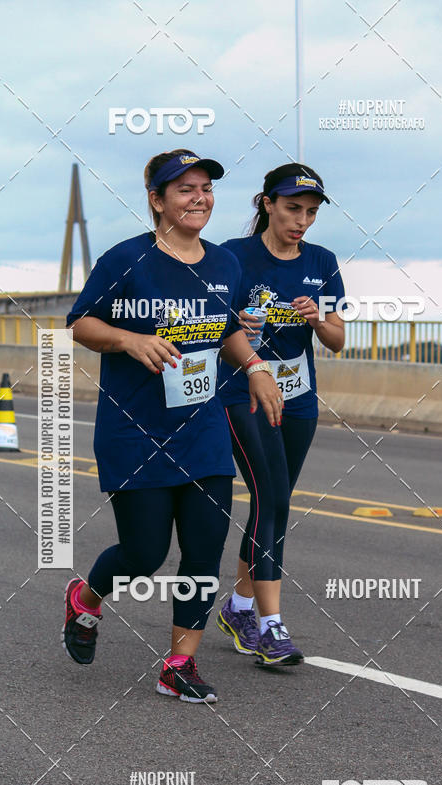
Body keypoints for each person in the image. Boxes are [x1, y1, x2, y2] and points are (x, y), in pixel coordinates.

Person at [63, 149, 282, 703]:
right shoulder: (125, 260)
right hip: (134, 431)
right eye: (184, 190)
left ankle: (179, 664)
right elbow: (81, 324)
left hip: (202, 430)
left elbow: (227, 331)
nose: (199, 198)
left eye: (205, 188)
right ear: (157, 201)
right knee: (143, 554)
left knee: (203, 553)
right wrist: (129, 339)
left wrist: (254, 365)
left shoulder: (225, 264)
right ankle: (86, 599)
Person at [216, 162, 345, 665]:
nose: (302, 221)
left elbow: (336, 339)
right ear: (266, 203)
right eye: (293, 209)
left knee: (275, 504)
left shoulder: (323, 261)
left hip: (299, 397)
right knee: (272, 498)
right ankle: (271, 626)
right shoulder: (232, 256)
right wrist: (238, 326)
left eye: (311, 212)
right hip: (243, 392)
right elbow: (211, 327)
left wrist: (318, 320)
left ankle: (240, 606)